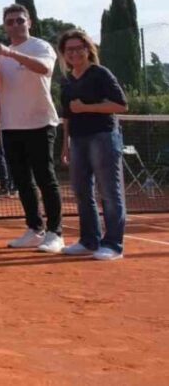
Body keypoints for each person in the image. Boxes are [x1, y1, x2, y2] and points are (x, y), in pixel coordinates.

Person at [0, 4, 65, 253]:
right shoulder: (2, 56)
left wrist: (12, 55)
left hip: (40, 122)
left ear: (29, 22)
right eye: (10, 22)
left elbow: (44, 69)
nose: (15, 25)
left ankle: (55, 233)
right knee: (23, 181)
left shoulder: (40, 47)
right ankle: (35, 229)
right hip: (11, 126)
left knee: (46, 178)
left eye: (19, 21)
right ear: (5, 25)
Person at [58, 29, 128, 261]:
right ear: (64, 54)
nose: (75, 53)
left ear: (88, 50)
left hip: (103, 136)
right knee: (80, 191)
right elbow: (67, 115)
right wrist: (65, 144)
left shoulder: (101, 74)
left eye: (79, 48)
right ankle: (89, 241)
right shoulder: (67, 81)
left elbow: (121, 105)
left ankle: (113, 244)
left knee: (109, 191)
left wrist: (87, 107)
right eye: (70, 50)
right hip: (77, 139)